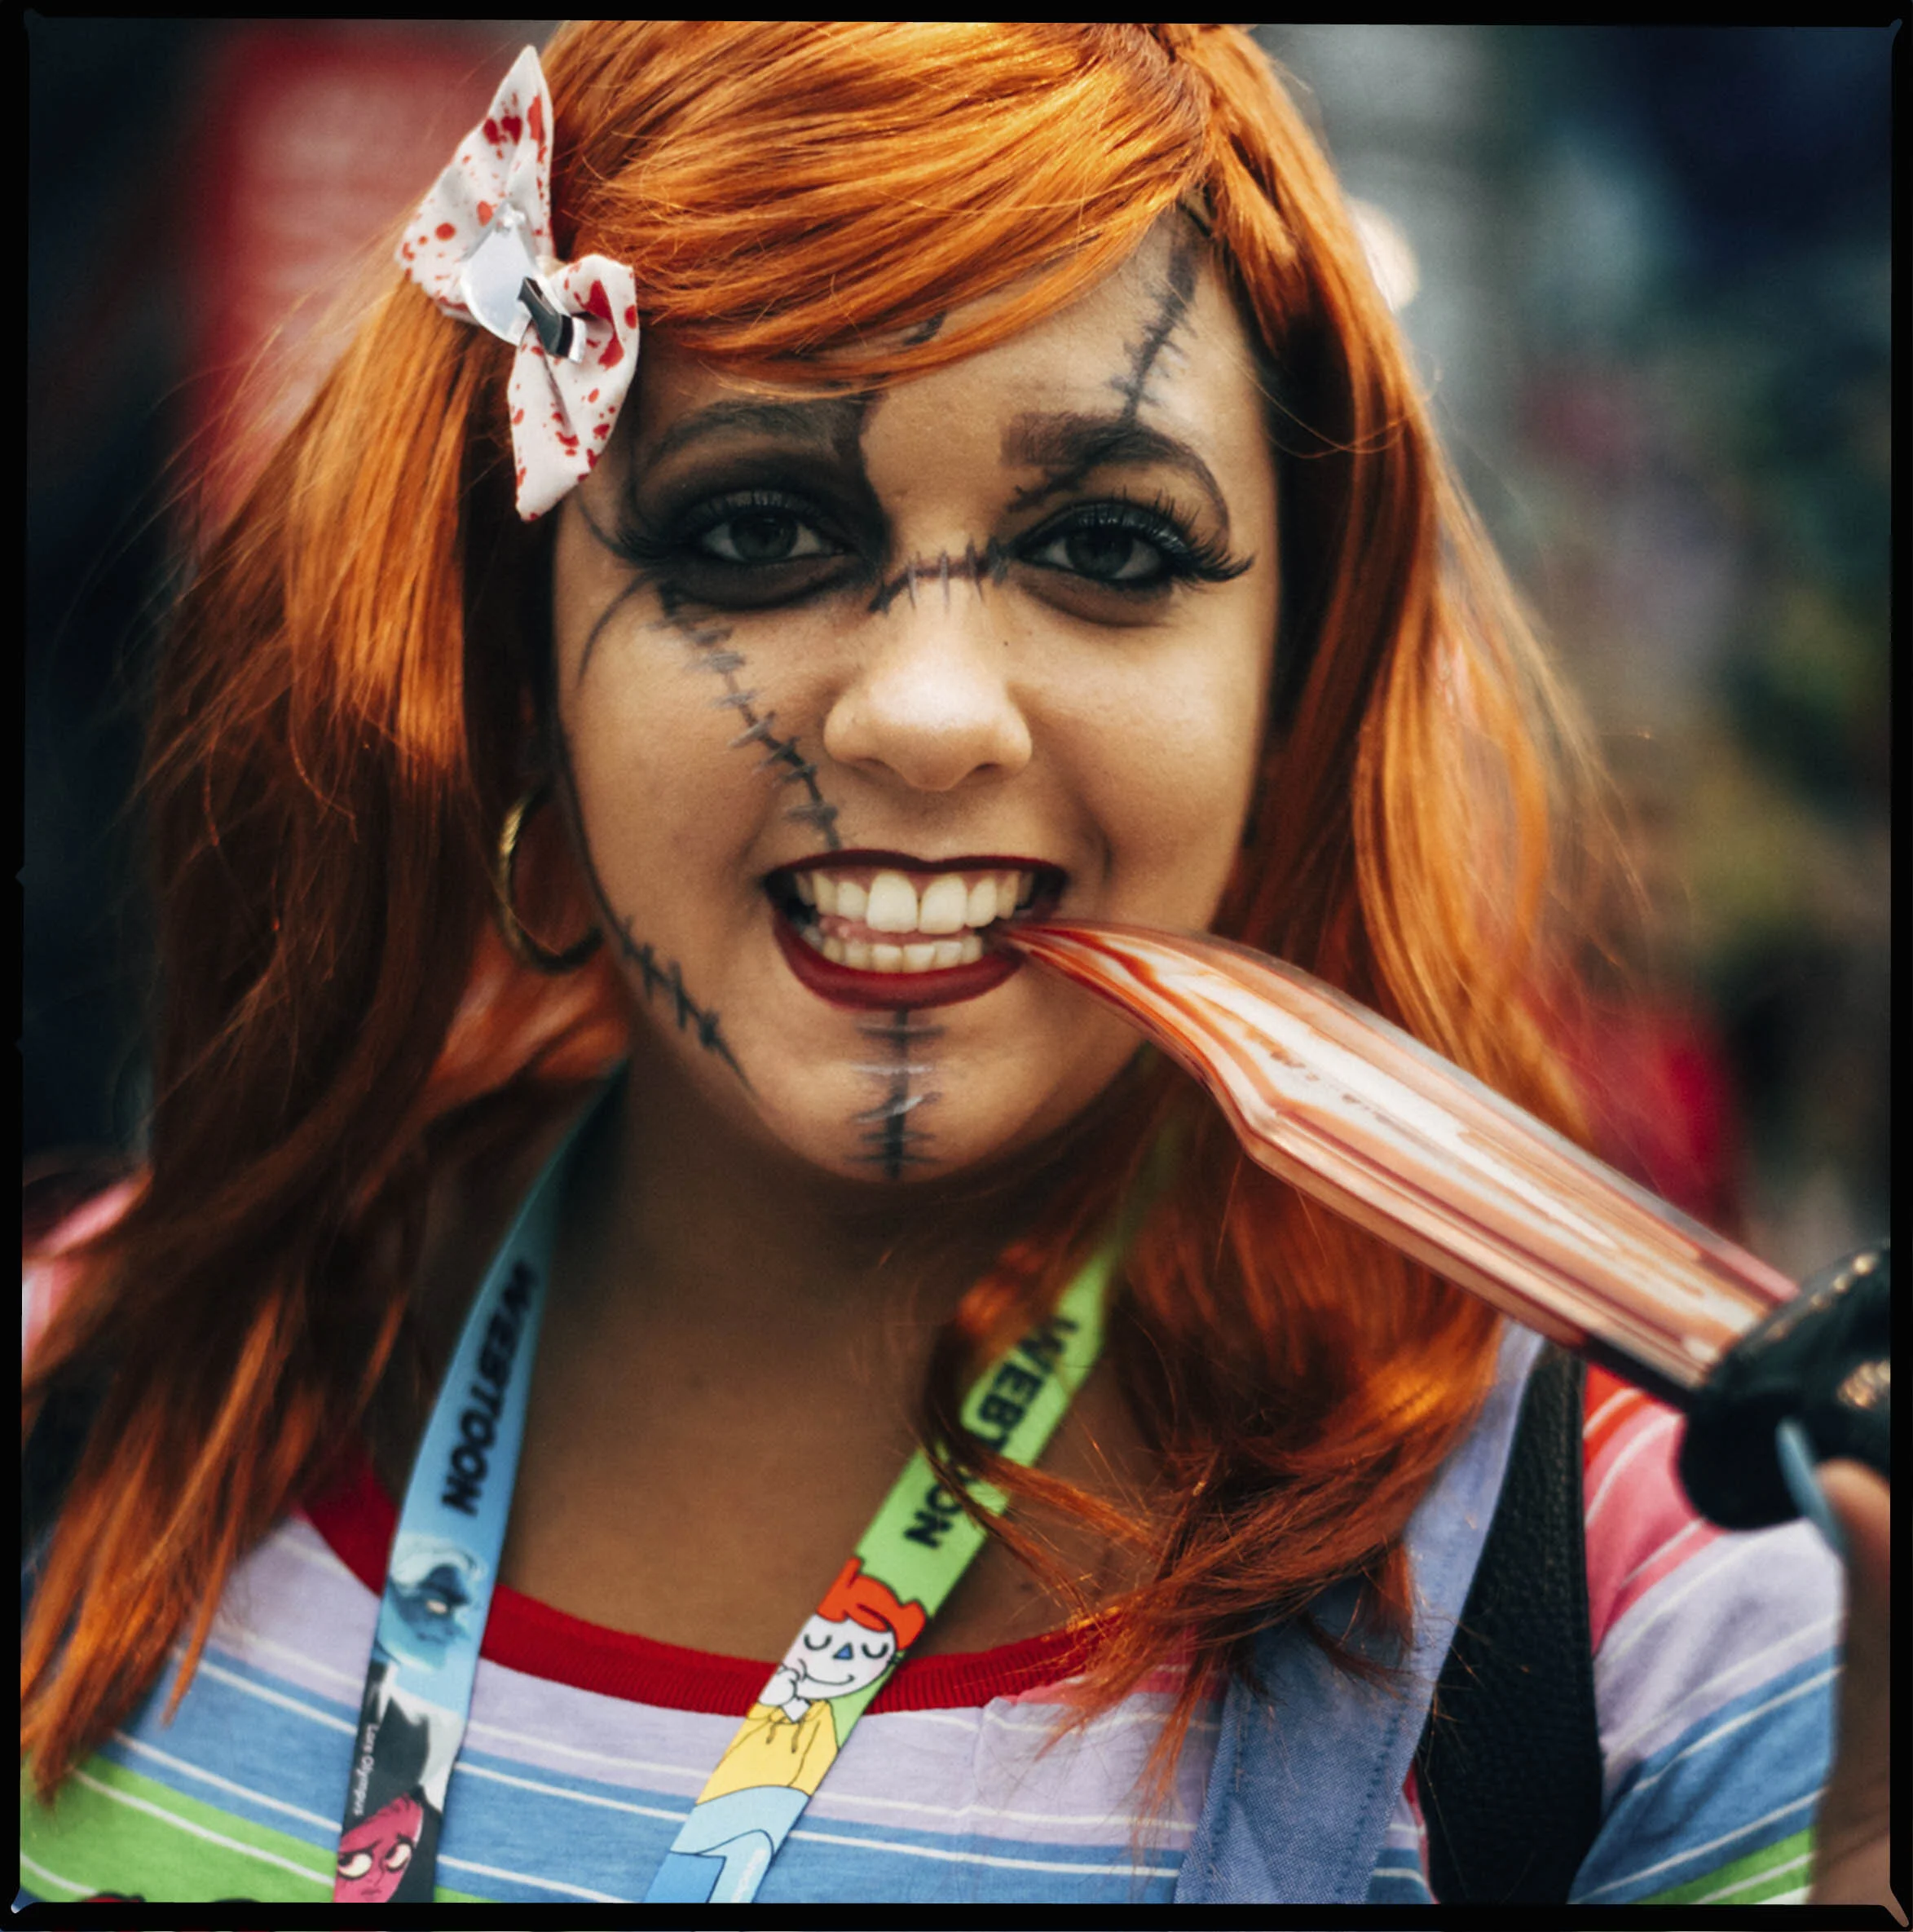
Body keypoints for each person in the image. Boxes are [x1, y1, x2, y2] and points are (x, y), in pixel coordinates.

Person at [20, 22, 1892, 1911]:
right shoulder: (82, 1391)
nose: (927, 718)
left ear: (1292, 683)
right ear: (517, 665)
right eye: (756, 529)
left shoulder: (1674, 1614)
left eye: (1109, 546)